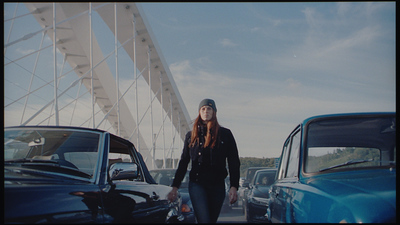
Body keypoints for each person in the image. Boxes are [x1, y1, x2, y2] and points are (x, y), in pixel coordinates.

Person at [167, 98, 240, 223]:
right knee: (204, 220)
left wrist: (234, 186)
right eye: (203, 109)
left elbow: (233, 161)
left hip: (217, 184)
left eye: (209, 108)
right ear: (199, 112)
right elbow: (184, 162)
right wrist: (175, 186)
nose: (206, 111)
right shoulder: (191, 136)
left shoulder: (226, 134)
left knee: (211, 220)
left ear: (214, 112)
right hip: (197, 184)